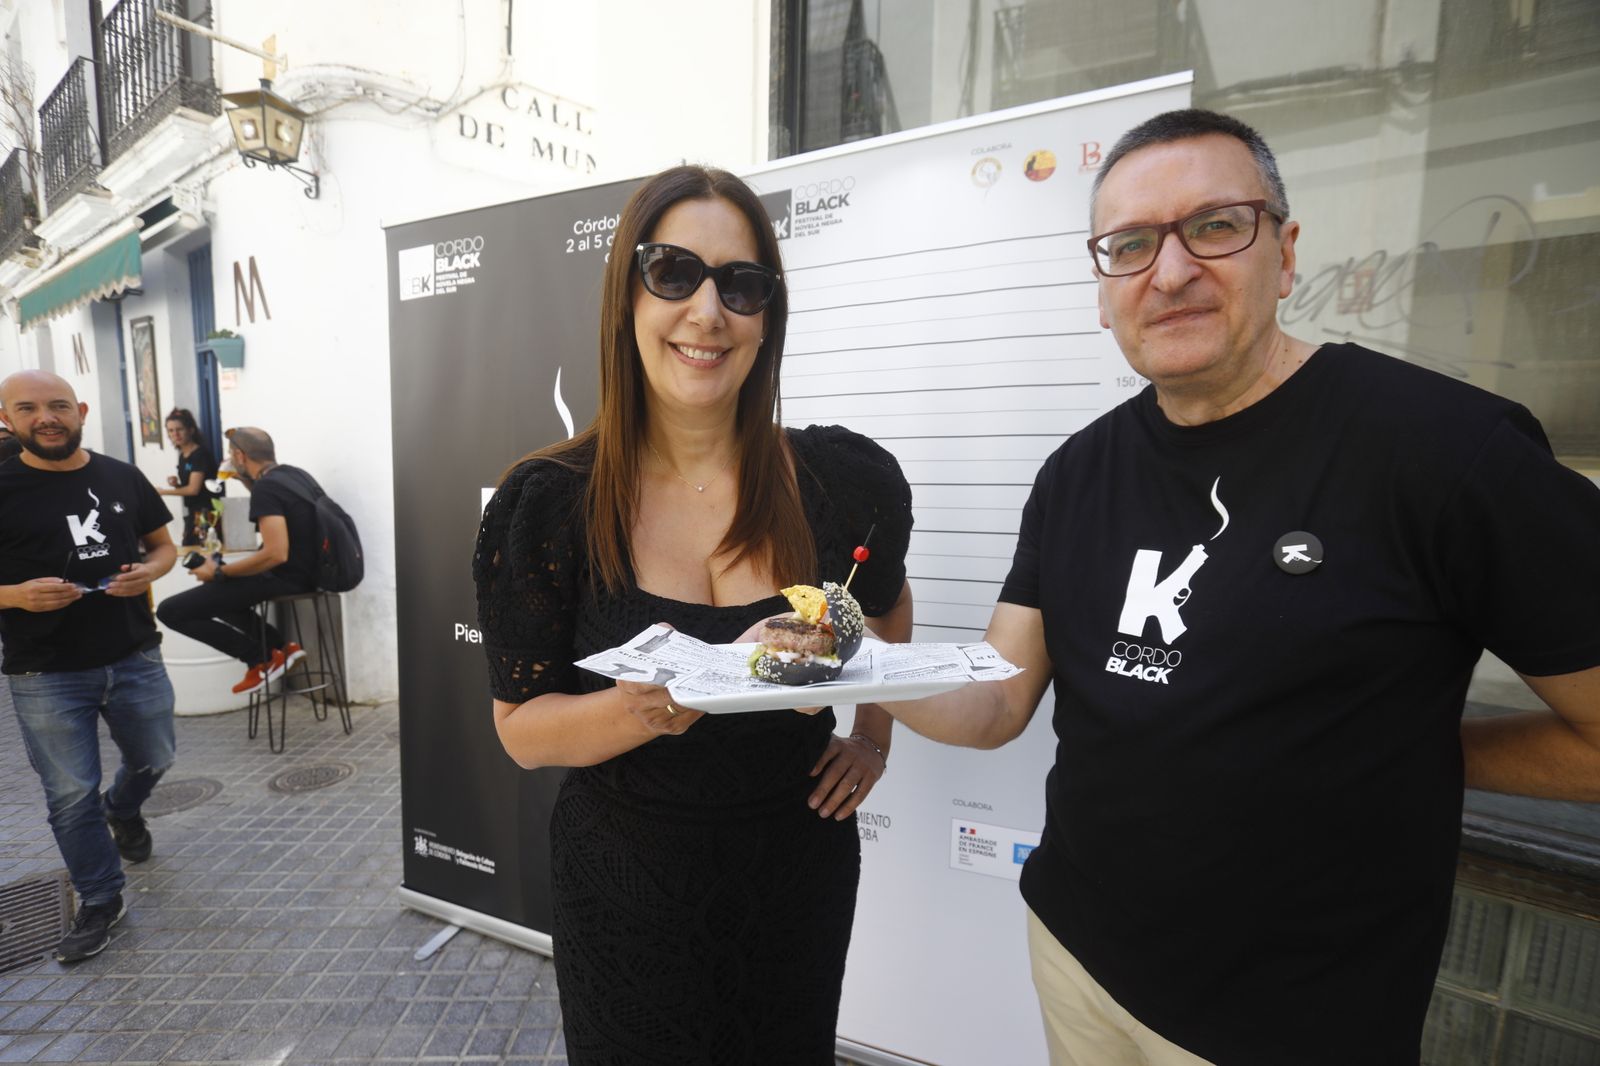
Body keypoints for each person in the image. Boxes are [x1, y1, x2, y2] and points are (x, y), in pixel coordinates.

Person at [878, 109, 1600, 1066]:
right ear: (1103, 291)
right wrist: (848, 665)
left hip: (1296, 1019)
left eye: (1215, 226)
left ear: (1286, 253)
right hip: (1076, 955)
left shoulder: (1446, 453)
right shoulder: (1076, 474)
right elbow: (998, 698)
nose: (1171, 271)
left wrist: (1411, 749)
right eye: (1131, 246)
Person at [473, 164, 914, 1064]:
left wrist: (872, 736)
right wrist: (656, 704)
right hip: (624, 883)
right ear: (626, 296)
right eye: (673, 273)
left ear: (768, 315)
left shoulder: (838, 481)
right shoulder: (548, 503)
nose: (708, 312)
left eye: (741, 285)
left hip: (796, 870)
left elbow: (887, 607)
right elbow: (522, 731)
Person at [0, 370, 178, 963]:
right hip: (44, 672)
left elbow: (163, 546)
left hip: (133, 655)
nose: (45, 418)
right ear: (7, 419)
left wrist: (149, 571)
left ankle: (122, 809)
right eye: (28, 409)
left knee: (157, 756)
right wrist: (14, 596)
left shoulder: (121, 476)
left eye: (57, 406)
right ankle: (101, 899)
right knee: (71, 795)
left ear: (80, 410)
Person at [155, 426, 315, 695]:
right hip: (309, 573)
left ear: (240, 456)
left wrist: (220, 572)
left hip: (286, 577)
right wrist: (244, 480)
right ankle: (280, 648)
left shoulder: (267, 488)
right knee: (217, 596)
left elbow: (276, 553)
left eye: (231, 454)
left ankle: (259, 659)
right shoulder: (294, 476)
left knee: (170, 611)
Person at [155, 407, 219, 546]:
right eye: (171, 431)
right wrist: (177, 485)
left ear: (191, 430)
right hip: (192, 511)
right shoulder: (183, 455)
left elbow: (193, 489)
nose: (175, 434)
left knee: (200, 548)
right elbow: (189, 487)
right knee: (189, 546)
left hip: (206, 512)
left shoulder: (200, 455)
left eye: (180, 429)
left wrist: (163, 492)